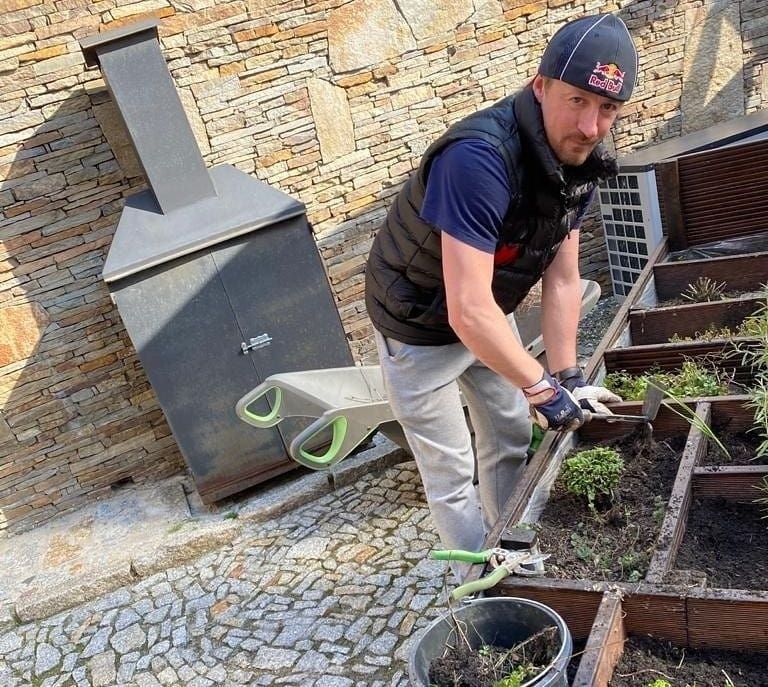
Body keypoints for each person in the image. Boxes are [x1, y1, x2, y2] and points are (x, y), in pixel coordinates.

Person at [364, 13, 639, 578]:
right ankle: (482, 593)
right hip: (417, 322)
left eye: (607, 109)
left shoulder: (577, 164)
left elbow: (562, 280)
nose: (590, 126)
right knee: (450, 470)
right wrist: (539, 388)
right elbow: (466, 307)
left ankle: (511, 547)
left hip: (487, 313)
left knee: (512, 433)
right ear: (540, 87)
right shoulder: (478, 160)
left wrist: (568, 378)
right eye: (578, 101)